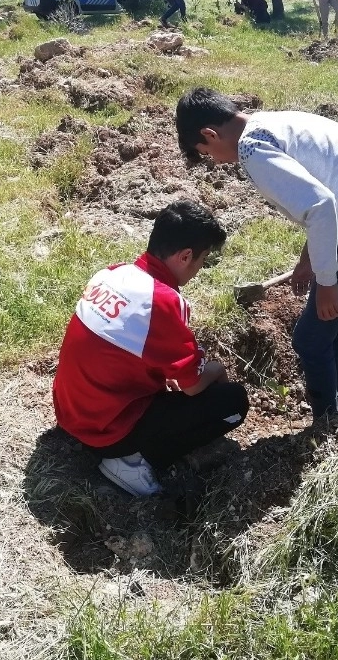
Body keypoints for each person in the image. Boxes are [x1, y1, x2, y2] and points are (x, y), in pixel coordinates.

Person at [175, 88, 338, 418]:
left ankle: (326, 425)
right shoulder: (268, 124)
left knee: (311, 338)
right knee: (333, 323)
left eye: (208, 152)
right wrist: (307, 259)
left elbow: (321, 205)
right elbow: (326, 199)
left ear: (210, 134)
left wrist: (326, 283)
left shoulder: (252, 149)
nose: (217, 161)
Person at [53, 200, 249, 496]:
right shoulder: (161, 302)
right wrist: (217, 369)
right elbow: (193, 386)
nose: (199, 269)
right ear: (185, 256)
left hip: (70, 411)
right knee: (233, 402)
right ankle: (132, 461)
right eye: (202, 259)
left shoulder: (113, 273)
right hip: (104, 431)